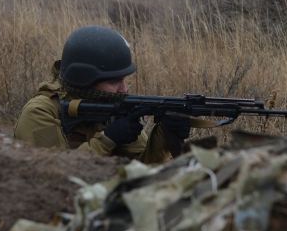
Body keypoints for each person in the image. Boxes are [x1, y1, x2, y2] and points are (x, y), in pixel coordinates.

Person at [15, 26, 191, 163]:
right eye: (114, 82)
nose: (123, 90)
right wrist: (108, 139)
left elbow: (140, 170)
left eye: (124, 80)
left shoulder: (112, 108)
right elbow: (55, 171)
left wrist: (162, 135)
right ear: (85, 81)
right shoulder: (39, 112)